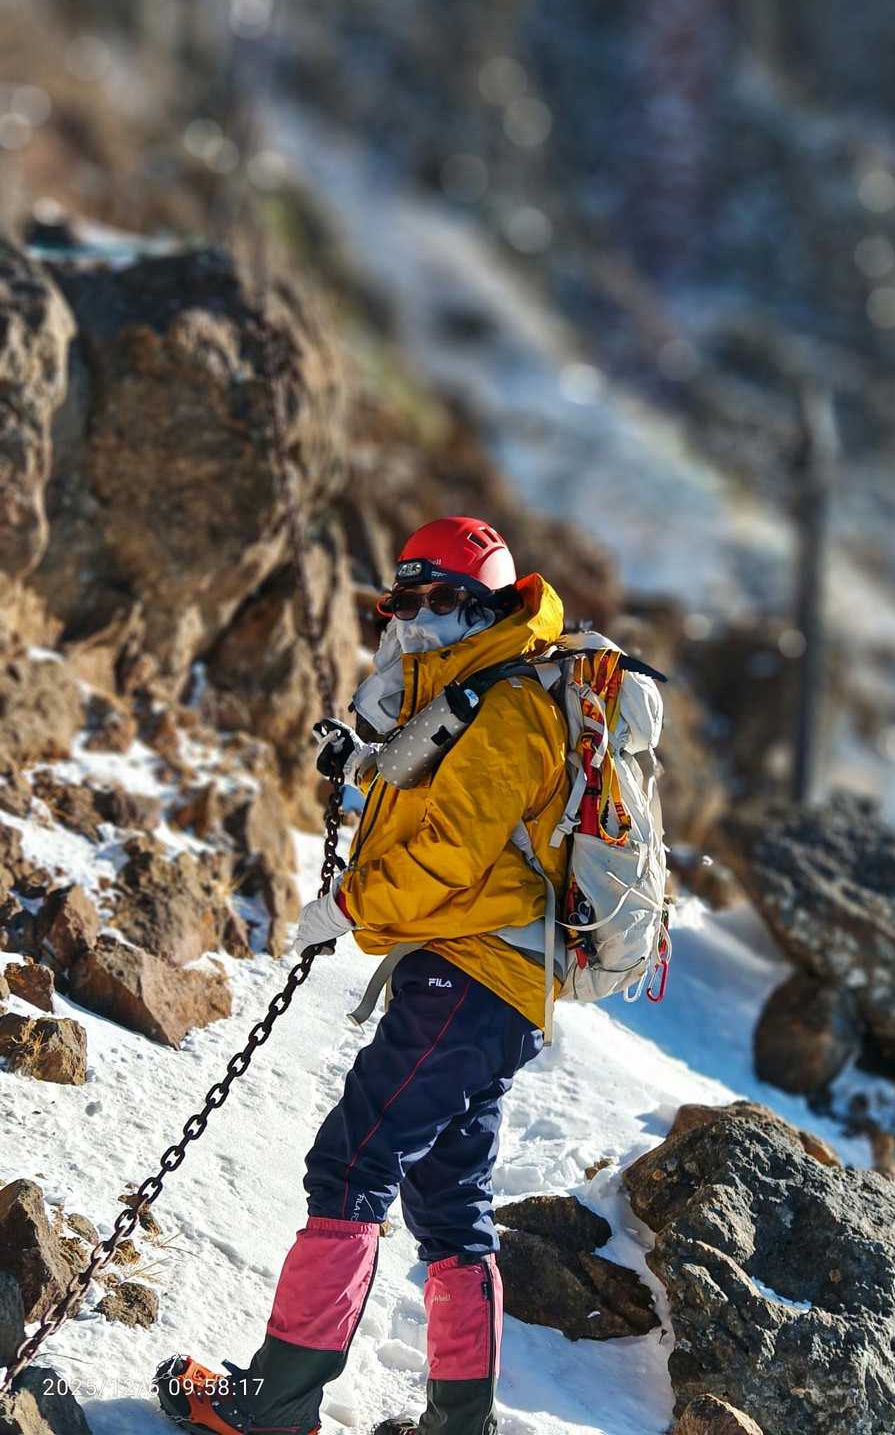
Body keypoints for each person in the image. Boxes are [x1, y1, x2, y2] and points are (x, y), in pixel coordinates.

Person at [157, 517, 571, 1435]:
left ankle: (274, 1407)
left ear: (485, 606)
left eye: (440, 599)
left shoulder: (511, 705)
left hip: (469, 971)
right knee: (451, 1207)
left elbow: (451, 852)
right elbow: (440, 809)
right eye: (405, 601)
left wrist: (348, 905)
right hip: (490, 982)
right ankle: (460, 1426)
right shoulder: (470, 692)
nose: (416, 617)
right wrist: (360, 779)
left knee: (353, 1164)